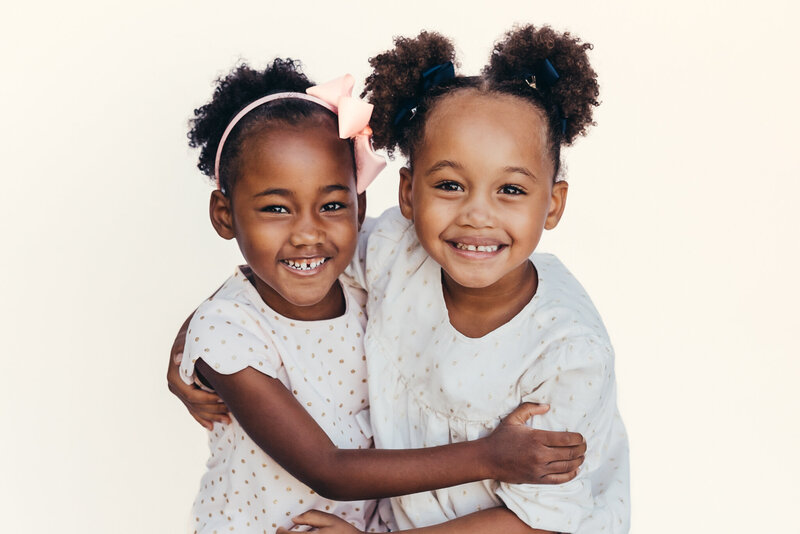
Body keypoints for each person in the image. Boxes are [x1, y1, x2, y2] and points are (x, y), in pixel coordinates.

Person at [174, 57, 588, 533]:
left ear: (359, 206)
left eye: (332, 205)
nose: (308, 233)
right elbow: (326, 468)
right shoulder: (227, 333)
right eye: (275, 208)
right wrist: (489, 456)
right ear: (224, 216)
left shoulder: (369, 271)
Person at [279, 25, 630, 533]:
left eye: (510, 189)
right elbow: (306, 263)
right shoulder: (396, 251)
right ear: (408, 193)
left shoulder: (567, 354)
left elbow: (538, 524)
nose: (477, 215)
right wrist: (208, 336)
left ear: (552, 204)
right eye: (449, 185)